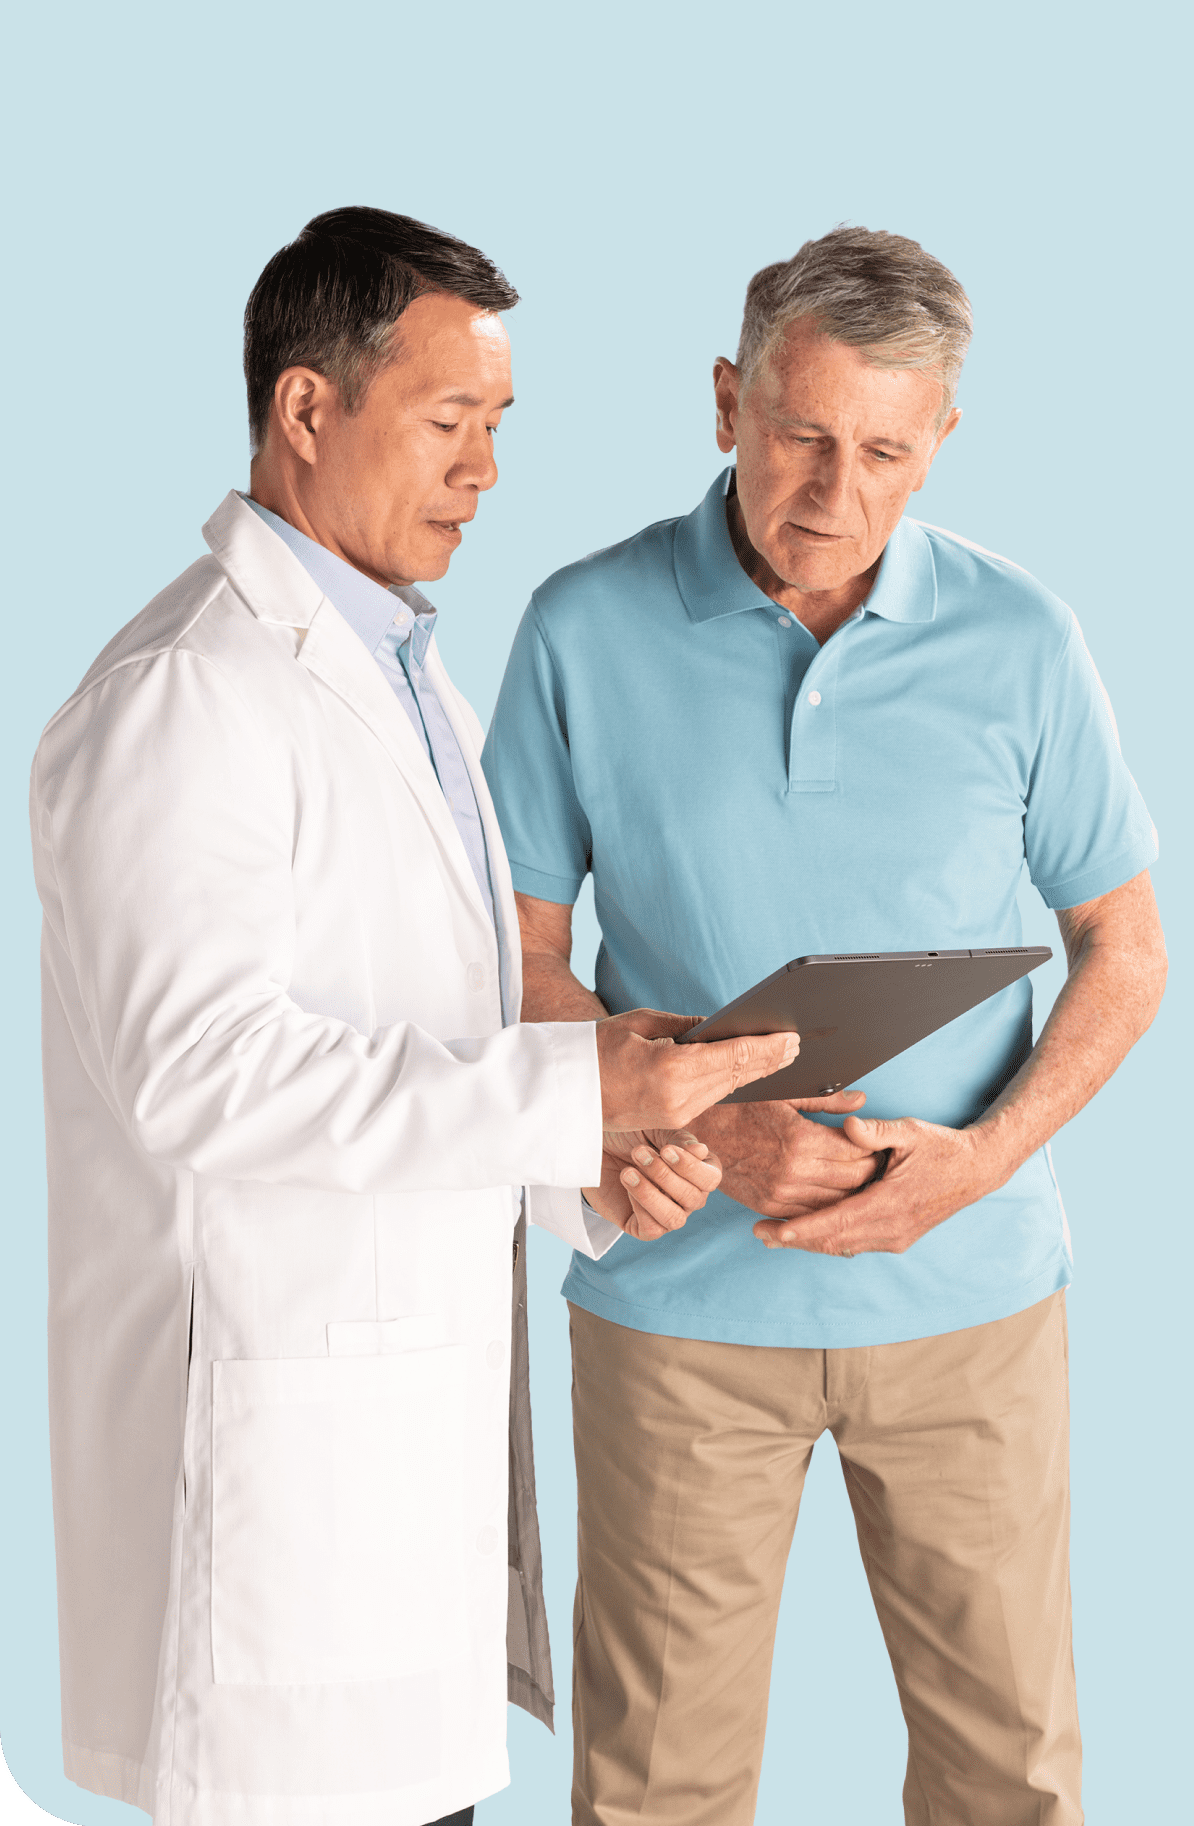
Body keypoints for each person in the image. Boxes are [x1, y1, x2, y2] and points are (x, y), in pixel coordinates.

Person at [28, 206, 796, 1826]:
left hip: (396, 1502)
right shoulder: (187, 695)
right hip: (271, 1511)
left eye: (497, 429)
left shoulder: (407, 679)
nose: (485, 471)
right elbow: (203, 1073)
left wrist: (583, 1157)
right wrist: (564, 1094)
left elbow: (425, 1022)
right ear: (307, 410)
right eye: (450, 422)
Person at [482, 226, 1168, 1825]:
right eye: (797, 433)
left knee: (1011, 1779)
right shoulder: (581, 627)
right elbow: (509, 955)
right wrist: (695, 1132)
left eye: (879, 449)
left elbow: (1124, 949)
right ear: (725, 402)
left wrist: (980, 1162)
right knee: (653, 1790)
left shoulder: (1023, 641)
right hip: (673, 1319)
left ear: (938, 440)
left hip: (970, 1310)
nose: (831, 490)